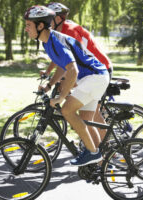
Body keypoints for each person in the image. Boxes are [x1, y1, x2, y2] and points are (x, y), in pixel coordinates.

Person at [24, 5, 110, 166]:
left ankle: (93, 153)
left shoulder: (55, 41)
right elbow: (62, 67)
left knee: (66, 110)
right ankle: (102, 166)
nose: (26, 29)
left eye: (28, 25)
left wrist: (61, 97)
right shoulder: (47, 42)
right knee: (85, 121)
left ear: (40, 25)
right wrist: (49, 85)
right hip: (94, 78)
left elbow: (72, 69)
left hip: (94, 77)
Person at [44, 2, 112, 149]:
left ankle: (106, 148)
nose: (47, 23)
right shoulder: (56, 35)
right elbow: (60, 60)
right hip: (88, 72)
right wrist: (50, 78)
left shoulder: (69, 31)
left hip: (98, 69)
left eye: (49, 19)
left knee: (92, 114)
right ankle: (98, 156)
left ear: (58, 19)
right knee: (85, 116)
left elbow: (73, 62)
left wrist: (63, 87)